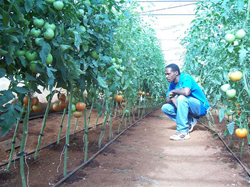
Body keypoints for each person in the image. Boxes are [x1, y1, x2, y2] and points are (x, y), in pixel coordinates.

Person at [161, 63, 210, 141]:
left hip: (201, 107)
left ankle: (183, 132)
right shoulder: (172, 84)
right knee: (165, 107)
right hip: (189, 107)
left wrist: (174, 91)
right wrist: (172, 98)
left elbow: (186, 92)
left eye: (168, 74)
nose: (166, 76)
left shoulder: (186, 78)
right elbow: (167, 99)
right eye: (165, 74)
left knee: (181, 98)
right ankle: (189, 121)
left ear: (176, 73)